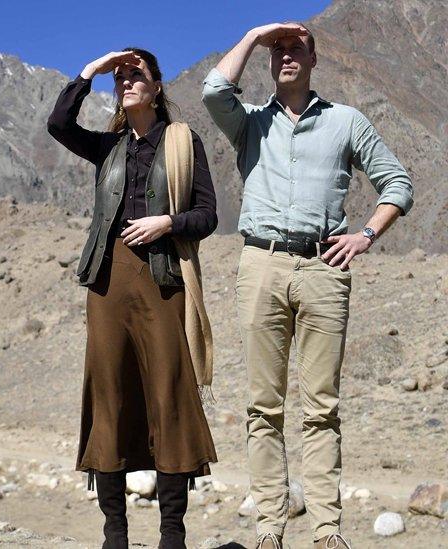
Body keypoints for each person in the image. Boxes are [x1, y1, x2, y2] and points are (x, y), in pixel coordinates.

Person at [201, 22, 414, 549]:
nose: (287, 56)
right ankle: (270, 529)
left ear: (315, 60)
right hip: (261, 264)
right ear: (269, 63)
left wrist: (365, 235)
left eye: (296, 48)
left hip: (323, 268)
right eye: (279, 50)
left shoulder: (346, 122)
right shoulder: (248, 123)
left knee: (321, 407)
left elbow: (398, 183)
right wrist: (253, 35)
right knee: (262, 407)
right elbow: (212, 90)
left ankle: (326, 532)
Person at [48, 47, 219, 549]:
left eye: (134, 74)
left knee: (168, 396)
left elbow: (207, 215)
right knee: (110, 400)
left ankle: (172, 535)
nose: (124, 81)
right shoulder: (108, 147)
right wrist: (90, 71)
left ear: (157, 87)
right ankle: (114, 535)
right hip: (107, 284)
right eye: (118, 77)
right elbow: (59, 124)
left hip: (163, 281)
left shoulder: (184, 143)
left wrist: (168, 222)